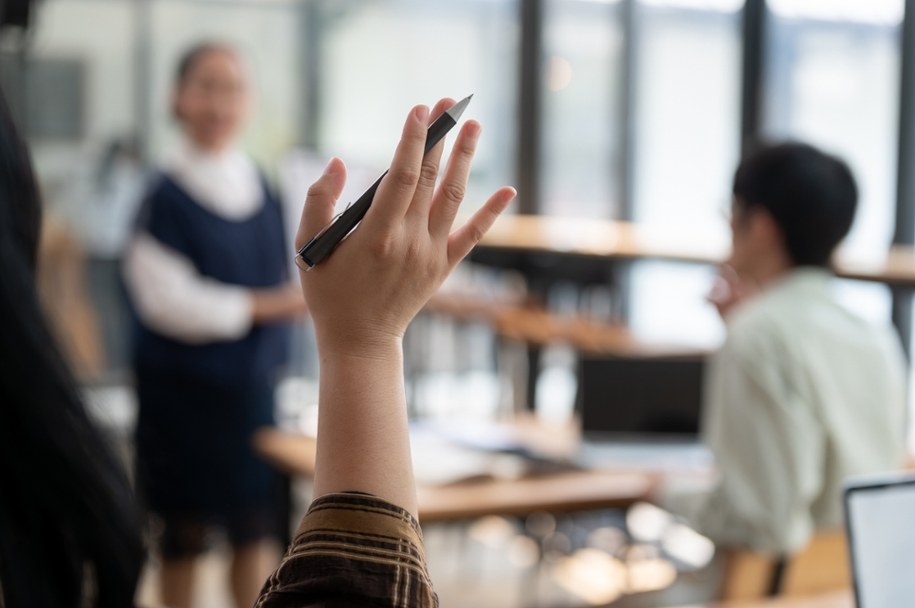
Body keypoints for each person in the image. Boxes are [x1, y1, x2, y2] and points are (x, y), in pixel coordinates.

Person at [122, 43, 306, 608]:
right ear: (177, 97)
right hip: (181, 397)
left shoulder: (263, 186)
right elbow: (167, 304)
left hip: (252, 393)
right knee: (184, 538)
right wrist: (269, 306)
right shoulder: (163, 194)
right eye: (207, 86)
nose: (219, 102)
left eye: (233, 89)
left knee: (255, 533)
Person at [663, 142, 908, 555]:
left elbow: (762, 524)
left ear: (760, 225)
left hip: (769, 590)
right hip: (845, 586)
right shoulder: (875, 334)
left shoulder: (757, 334)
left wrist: (666, 493)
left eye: (732, 211)